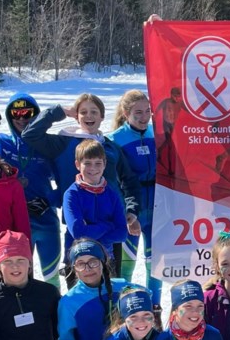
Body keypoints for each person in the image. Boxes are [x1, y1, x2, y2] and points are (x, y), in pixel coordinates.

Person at [21, 93, 141, 274]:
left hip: (111, 229)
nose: (89, 116)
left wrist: (131, 209)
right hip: (79, 227)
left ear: (102, 116)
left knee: (110, 285)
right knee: (78, 286)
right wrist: (59, 111)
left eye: (94, 112)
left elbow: (129, 181)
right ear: (76, 116)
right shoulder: (63, 142)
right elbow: (30, 135)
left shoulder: (110, 147)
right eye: (83, 112)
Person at [0, 95, 62, 286]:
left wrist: (49, 200)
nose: (22, 118)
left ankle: (53, 314)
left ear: (37, 115)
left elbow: (68, 181)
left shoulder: (47, 146)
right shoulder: (1, 143)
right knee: (19, 278)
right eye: (16, 113)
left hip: (45, 220)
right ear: (9, 116)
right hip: (15, 225)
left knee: (52, 277)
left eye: (28, 113)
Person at [111, 90, 160, 302]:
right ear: (126, 112)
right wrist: (128, 213)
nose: (144, 117)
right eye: (138, 112)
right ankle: (124, 308)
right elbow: (115, 183)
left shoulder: (155, 133)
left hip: (157, 207)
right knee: (127, 265)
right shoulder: (115, 139)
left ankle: (155, 307)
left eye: (148, 111)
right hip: (133, 208)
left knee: (155, 263)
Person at [57, 238, 126, 340]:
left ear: (103, 262)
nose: (88, 269)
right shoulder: (69, 302)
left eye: (93, 262)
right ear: (74, 269)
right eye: (81, 264)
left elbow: (147, 296)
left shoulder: (123, 287)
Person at [61, 139, 129, 260]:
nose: (93, 168)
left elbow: (122, 233)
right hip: (78, 260)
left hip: (105, 259)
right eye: (87, 163)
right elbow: (78, 233)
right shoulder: (72, 194)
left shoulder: (111, 193)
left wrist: (93, 233)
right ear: (77, 165)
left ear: (104, 164)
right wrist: (107, 226)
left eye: (98, 163)